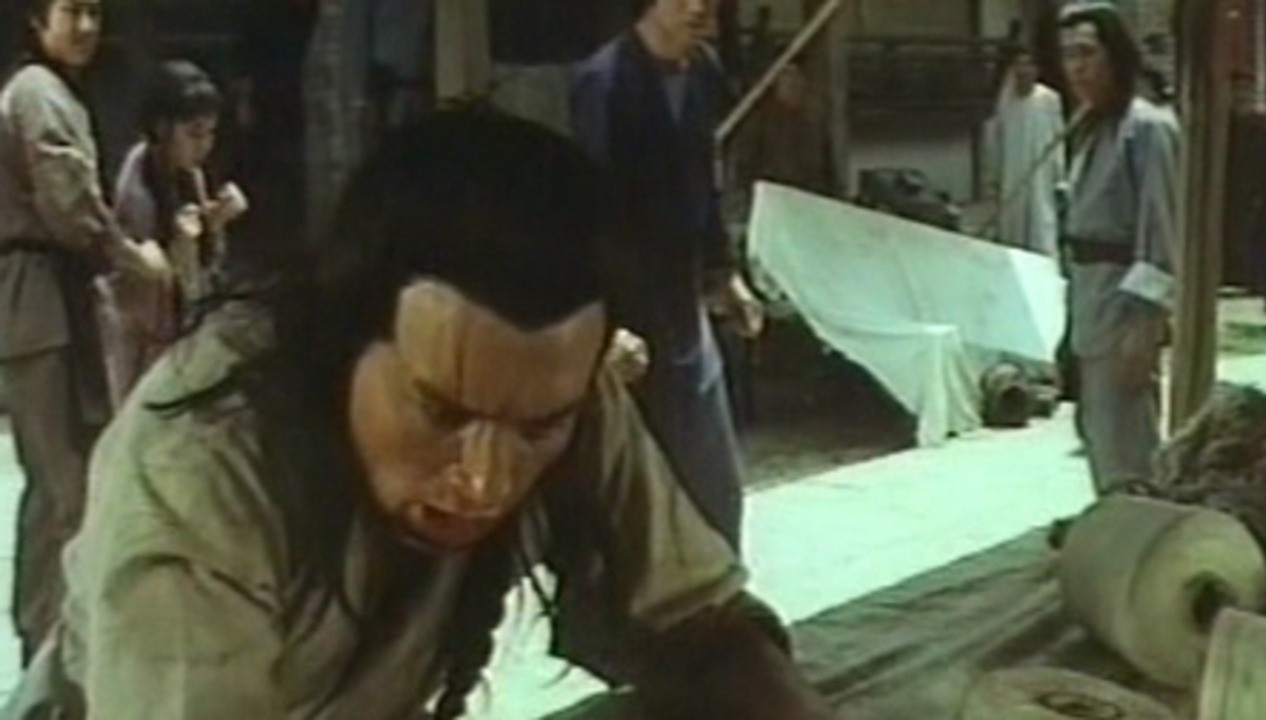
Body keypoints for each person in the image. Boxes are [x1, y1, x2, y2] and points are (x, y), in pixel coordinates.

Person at [2, 109, 836, 720]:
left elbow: (698, 625)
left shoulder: (553, 390)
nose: (486, 481)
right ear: (347, 339)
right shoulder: (196, 468)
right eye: (439, 411)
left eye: (536, 430)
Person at [0, 0, 171, 662]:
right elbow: (70, 203)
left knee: (66, 482)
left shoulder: (56, 91)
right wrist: (133, 260)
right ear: (37, 23)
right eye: (72, 11)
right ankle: (49, 646)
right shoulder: (36, 93)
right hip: (36, 296)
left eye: (95, 12)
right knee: (62, 482)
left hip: (56, 291)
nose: (87, 27)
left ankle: (52, 639)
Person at [572, 0, 763, 551]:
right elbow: (590, 213)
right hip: (626, 308)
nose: (698, 8)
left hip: (683, 300)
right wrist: (605, 323)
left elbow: (705, 184)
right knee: (630, 491)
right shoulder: (604, 82)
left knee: (714, 485)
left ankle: (718, 589)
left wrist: (723, 274)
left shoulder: (702, 72)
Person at [1058, 4, 1180, 494]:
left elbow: (1162, 235)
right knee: (1096, 436)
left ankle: (1141, 529)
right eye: (1068, 55)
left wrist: (1144, 324)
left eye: (1087, 53)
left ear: (1117, 56)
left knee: (1127, 448)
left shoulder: (1148, 128)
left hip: (1123, 304)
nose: (1077, 68)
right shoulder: (1088, 128)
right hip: (1087, 299)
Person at [100, 59, 249, 410]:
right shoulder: (137, 181)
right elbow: (143, 279)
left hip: (181, 330)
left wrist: (215, 222)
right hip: (142, 337)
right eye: (194, 134)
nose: (204, 145)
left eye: (211, 133)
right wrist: (184, 244)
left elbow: (206, 266)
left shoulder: (190, 174)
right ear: (161, 127)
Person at [988, 44, 1067, 257]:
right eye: (1019, 66)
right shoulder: (1006, 101)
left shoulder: (1048, 99)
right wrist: (994, 177)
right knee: (1013, 226)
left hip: (1041, 175)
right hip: (1012, 174)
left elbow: (1058, 137)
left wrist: (1060, 178)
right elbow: (997, 140)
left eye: (1028, 65)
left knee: (1041, 223)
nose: (1023, 71)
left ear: (1036, 70)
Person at [735, 62, 838, 200]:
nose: (794, 84)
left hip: (809, 196)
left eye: (797, 80)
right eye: (788, 80)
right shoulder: (760, 122)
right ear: (777, 84)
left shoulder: (813, 124)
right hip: (775, 195)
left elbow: (828, 169)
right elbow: (746, 163)